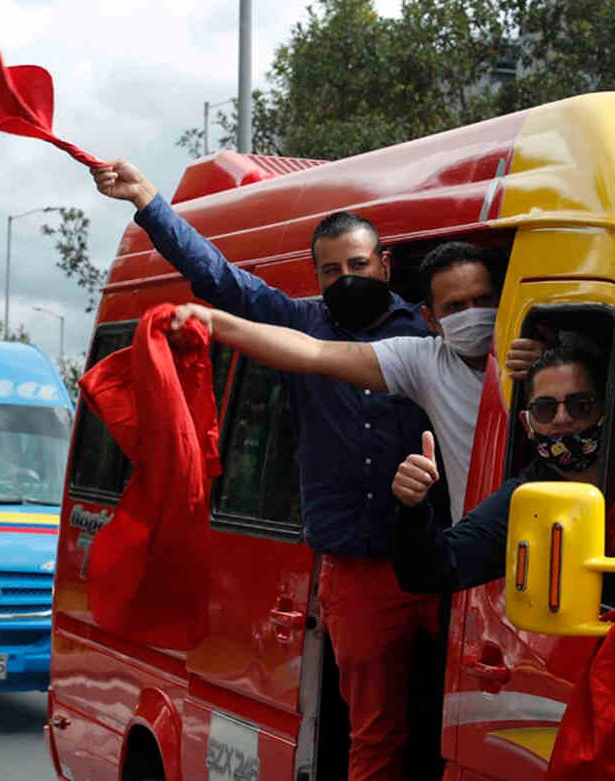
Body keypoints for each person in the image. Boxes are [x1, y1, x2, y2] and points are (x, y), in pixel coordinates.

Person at [93, 161, 437, 781]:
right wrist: (147, 199)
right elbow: (219, 280)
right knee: (374, 732)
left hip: (445, 565)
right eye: (330, 270)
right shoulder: (300, 324)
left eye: (357, 266)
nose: (345, 279)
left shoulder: (430, 332)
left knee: (458, 723)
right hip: (357, 574)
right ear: (315, 277)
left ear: (385, 265)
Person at [170, 240, 504, 522]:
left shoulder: (536, 355)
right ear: (431, 320)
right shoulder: (426, 361)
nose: (473, 315)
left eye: (484, 300)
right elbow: (312, 351)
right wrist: (215, 322)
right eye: (456, 307)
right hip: (480, 554)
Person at [387, 346, 615, 594]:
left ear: (607, 409)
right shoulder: (525, 501)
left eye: (580, 405)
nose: (562, 419)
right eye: (545, 409)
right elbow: (433, 572)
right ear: (527, 424)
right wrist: (413, 507)